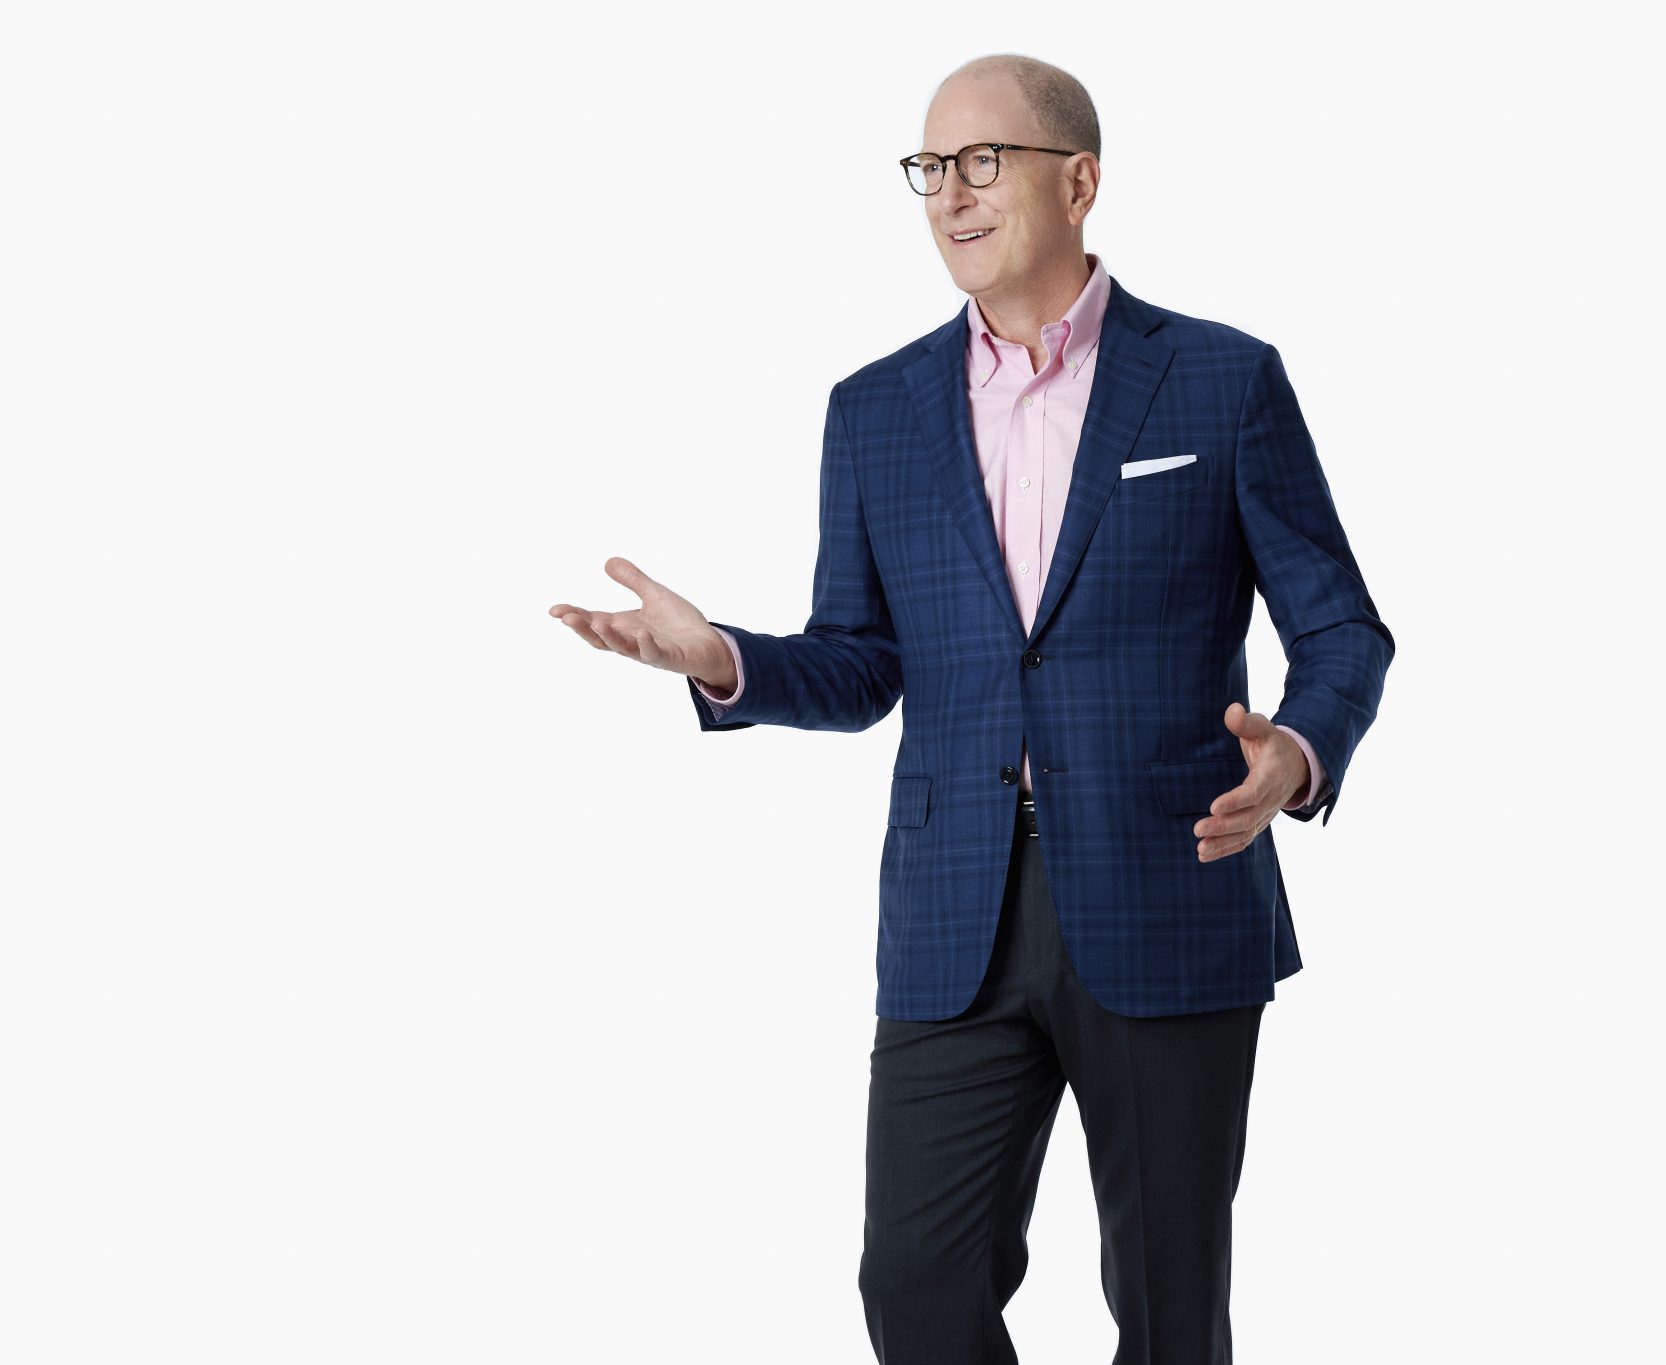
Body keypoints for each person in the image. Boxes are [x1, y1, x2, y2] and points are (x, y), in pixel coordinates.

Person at [549, 52, 1393, 1365]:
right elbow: (861, 662)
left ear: (1081, 181)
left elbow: (1340, 626)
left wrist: (1297, 750)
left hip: (1172, 886)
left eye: (983, 160)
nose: (950, 192)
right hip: (957, 912)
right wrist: (723, 657)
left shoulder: (1222, 381)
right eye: (931, 167)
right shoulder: (875, 412)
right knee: (914, 1287)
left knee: (1171, 1312)